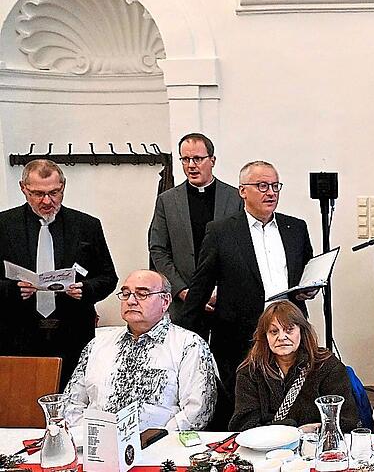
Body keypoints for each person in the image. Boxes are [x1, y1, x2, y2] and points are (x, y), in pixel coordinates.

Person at [183, 160, 316, 400]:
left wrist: (308, 289)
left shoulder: (295, 228)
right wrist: (184, 335)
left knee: (293, 397)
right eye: (262, 186)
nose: (271, 193)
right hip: (239, 335)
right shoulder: (221, 231)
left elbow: (305, 272)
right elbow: (201, 285)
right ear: (243, 191)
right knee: (245, 402)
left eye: (275, 186)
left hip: (289, 330)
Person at [0, 159, 118, 389]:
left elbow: (108, 277)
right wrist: (11, 290)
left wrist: (86, 289)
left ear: (63, 186)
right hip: (17, 333)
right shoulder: (4, 225)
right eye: (38, 194)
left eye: (54, 193)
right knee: (20, 398)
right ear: (23, 188)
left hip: (72, 332)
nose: (47, 201)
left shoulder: (86, 225)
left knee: (74, 397)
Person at [63, 270, 218, 430]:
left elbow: (197, 413)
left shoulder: (189, 345)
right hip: (95, 440)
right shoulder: (98, 344)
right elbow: (71, 402)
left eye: (142, 294)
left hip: (161, 442)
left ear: (165, 301)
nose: (131, 301)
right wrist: (86, 436)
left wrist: (155, 439)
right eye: (125, 294)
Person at [148, 133, 243, 330]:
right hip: (183, 303)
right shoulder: (167, 201)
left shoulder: (235, 198)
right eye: (185, 159)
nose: (191, 165)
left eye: (198, 159)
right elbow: (158, 249)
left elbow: (243, 249)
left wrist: (220, 290)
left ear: (212, 160)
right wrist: (183, 290)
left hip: (227, 301)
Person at [229, 301, 360, 431]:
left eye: (289, 330)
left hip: (316, 441)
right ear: (265, 336)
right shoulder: (250, 371)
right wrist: (290, 429)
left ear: (302, 331)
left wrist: (317, 429)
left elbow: (346, 420)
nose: (281, 337)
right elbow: (243, 425)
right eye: (274, 331)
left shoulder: (327, 366)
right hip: (267, 443)